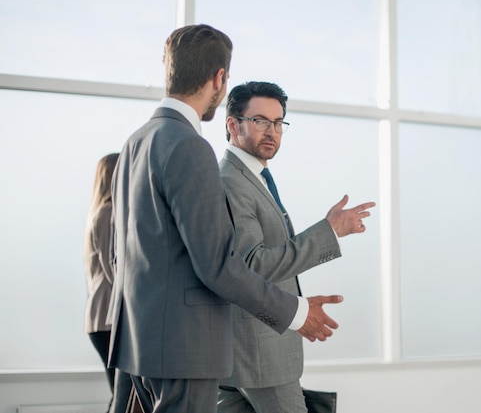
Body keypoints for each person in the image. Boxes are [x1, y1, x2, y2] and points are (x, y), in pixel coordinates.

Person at [107, 24, 343, 413]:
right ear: (220, 78)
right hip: (183, 349)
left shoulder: (136, 141)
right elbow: (218, 265)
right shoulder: (190, 147)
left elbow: (122, 254)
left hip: (139, 342)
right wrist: (296, 312)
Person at [217, 81, 376, 413]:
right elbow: (254, 265)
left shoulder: (252, 176)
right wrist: (329, 232)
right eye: (261, 120)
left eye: (278, 123)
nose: (272, 131)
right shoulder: (232, 182)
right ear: (233, 124)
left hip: (248, 350)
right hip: (259, 353)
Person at [83, 153, 132, 413]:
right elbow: (115, 269)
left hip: (102, 318)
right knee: (122, 394)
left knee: (120, 393)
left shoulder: (99, 213)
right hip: (108, 319)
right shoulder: (108, 213)